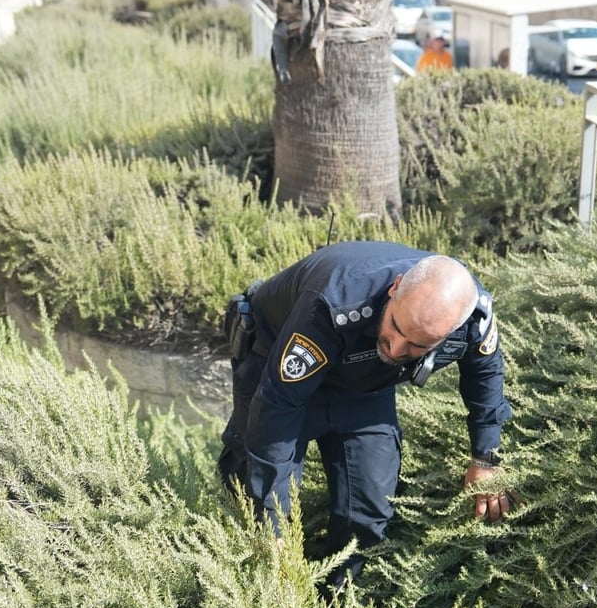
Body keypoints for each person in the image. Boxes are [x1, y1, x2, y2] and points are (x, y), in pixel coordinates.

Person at [218, 241, 515, 586]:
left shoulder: (474, 315)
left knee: (368, 514)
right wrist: (272, 523)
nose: (397, 348)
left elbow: (486, 376)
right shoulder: (336, 302)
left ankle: (340, 607)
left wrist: (486, 459)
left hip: (364, 386)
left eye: (418, 345)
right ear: (395, 289)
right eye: (396, 327)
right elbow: (277, 408)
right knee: (253, 500)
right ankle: (256, 593)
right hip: (277, 363)